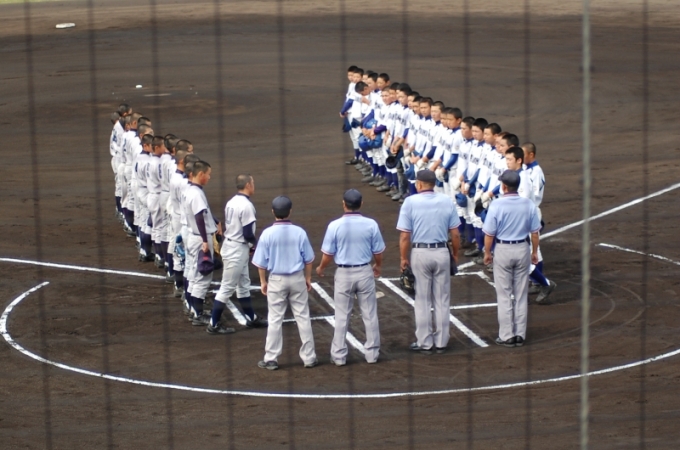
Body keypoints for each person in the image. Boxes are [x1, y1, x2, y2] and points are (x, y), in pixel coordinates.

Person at [316, 189, 385, 365]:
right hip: (364, 272)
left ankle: (339, 357)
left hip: (344, 274)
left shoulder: (334, 225)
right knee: (369, 314)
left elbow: (328, 254)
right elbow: (378, 252)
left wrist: (321, 268)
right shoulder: (371, 224)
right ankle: (372, 355)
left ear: (343, 204)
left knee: (341, 316)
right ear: (361, 204)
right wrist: (378, 265)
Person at [396, 169, 460, 354]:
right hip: (442, 252)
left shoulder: (410, 202)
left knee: (422, 300)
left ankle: (425, 342)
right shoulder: (446, 200)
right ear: (434, 184)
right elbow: (455, 234)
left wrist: (403, 258)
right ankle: (441, 342)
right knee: (442, 299)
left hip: (420, 253)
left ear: (418, 184)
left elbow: (405, 236)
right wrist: (455, 254)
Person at [253, 196, 317, 370]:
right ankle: (309, 358)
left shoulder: (267, 233)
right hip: (297, 278)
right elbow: (309, 259)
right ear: (290, 211)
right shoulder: (299, 232)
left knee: (275, 319)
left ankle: (271, 358)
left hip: (276, 280)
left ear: (273, 212)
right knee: (303, 317)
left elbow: (261, 263)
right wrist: (307, 278)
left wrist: (263, 281)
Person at [482, 170, 541, 347]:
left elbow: (489, 234)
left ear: (504, 186)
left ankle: (507, 335)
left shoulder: (496, 205)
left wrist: (487, 253)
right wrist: (534, 252)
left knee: (504, 294)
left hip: (503, 250)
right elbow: (535, 233)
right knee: (521, 294)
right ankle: (520, 335)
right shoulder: (528, 204)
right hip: (522, 249)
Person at [212, 174, 268, 330]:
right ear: (248, 185)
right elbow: (248, 233)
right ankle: (213, 324)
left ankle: (251, 318)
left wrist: (249, 247)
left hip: (235, 246)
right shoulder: (246, 206)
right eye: (253, 182)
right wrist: (256, 245)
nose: (254, 185)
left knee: (243, 285)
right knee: (227, 288)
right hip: (236, 250)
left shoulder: (231, 202)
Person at [183, 160, 221, 327]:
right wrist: (206, 241)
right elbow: (199, 217)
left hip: (193, 237)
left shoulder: (190, 190)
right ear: (200, 174)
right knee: (202, 278)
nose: (209, 177)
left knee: (193, 275)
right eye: (208, 174)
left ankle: (194, 310)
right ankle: (198, 315)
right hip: (200, 239)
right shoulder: (196, 194)